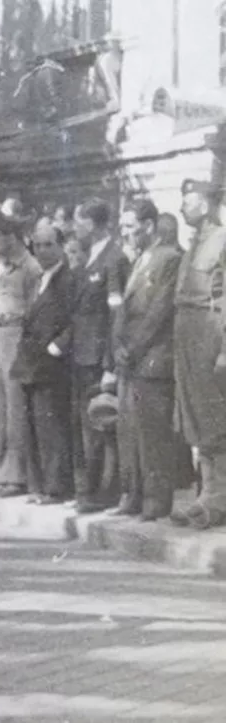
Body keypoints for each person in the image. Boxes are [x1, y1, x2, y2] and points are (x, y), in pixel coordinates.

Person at [113, 200, 184, 520]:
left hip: (153, 359)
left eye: (130, 226)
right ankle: (134, 493)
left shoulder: (169, 259)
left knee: (153, 433)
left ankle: (156, 499)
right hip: (131, 360)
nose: (126, 233)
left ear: (149, 225)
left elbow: (159, 312)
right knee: (129, 429)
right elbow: (125, 311)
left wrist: (134, 347)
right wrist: (119, 346)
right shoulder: (139, 259)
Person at [171, 179, 226, 529]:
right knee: (194, 419)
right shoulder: (194, 244)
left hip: (208, 337)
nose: (181, 208)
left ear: (205, 204)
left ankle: (217, 501)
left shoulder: (221, 241)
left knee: (214, 420)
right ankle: (206, 494)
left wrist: (224, 350)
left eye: (187, 201)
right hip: (187, 337)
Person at [69, 198, 129, 514]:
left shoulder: (114, 258)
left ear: (90, 223)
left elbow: (115, 316)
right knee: (87, 427)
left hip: (98, 357)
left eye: (78, 221)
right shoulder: (90, 258)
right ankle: (89, 489)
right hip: (81, 354)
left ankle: (105, 491)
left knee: (102, 426)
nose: (74, 228)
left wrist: (110, 365)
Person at [12, 219, 76, 504]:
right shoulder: (37, 279)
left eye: (49, 244)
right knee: (31, 427)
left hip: (51, 363)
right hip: (29, 362)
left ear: (61, 246)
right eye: (37, 245)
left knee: (51, 426)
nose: (42, 251)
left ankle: (55, 487)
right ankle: (36, 485)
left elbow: (76, 319)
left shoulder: (69, 279)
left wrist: (58, 346)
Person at [0, 207, 41, 498]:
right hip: (3, 337)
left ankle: (16, 475)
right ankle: (2, 470)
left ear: (12, 237)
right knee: (3, 408)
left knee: (16, 408)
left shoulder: (29, 267)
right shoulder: (5, 265)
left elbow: (34, 309)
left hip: (19, 337)